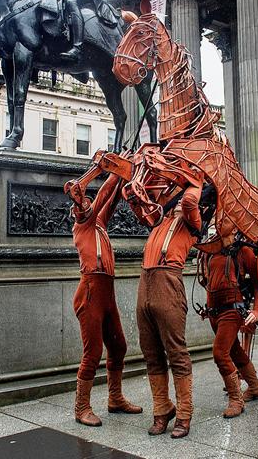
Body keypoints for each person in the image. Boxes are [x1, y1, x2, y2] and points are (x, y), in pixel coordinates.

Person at [70, 173, 142, 426]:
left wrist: (124, 177)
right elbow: (102, 199)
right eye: (84, 204)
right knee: (93, 353)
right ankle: (81, 408)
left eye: (90, 202)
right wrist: (116, 174)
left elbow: (109, 202)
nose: (89, 204)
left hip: (106, 291)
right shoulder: (83, 225)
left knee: (119, 346)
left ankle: (115, 399)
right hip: (91, 291)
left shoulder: (99, 225)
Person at [137, 178, 202, 440]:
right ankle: (162, 409)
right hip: (146, 283)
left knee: (176, 352)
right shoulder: (160, 221)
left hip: (168, 283)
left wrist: (195, 178)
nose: (174, 204)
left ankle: (184, 414)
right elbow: (140, 201)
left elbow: (189, 201)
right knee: (150, 351)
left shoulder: (192, 222)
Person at [198, 243, 258, 418]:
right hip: (214, 312)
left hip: (232, 309)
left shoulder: (243, 251)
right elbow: (209, 281)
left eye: (224, 218)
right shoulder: (210, 250)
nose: (218, 221)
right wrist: (208, 309)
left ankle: (236, 400)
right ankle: (255, 387)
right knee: (234, 350)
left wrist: (257, 310)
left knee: (220, 353)